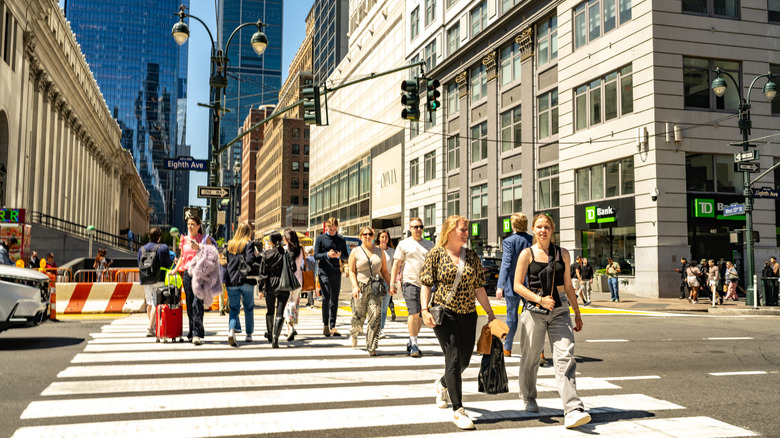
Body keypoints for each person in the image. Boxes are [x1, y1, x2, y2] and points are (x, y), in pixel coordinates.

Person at [513, 213, 591, 430]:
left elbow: (567, 284)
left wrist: (577, 311)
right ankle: (528, 396)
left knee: (565, 356)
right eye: (538, 227)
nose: (542, 230)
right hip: (534, 310)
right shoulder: (526, 254)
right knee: (530, 358)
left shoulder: (562, 254)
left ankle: (573, 408)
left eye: (546, 226)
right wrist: (539, 299)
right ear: (534, 230)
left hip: (560, 310)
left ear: (552, 230)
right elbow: (517, 285)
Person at [420, 215, 496, 430]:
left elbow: (479, 287)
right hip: (445, 314)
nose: (466, 233)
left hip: (468, 314)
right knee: (452, 359)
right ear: (450, 230)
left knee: (463, 361)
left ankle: (443, 383)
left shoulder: (471, 256)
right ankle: (458, 409)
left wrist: (490, 313)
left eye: (467, 229)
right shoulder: (436, 254)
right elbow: (426, 284)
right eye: (463, 229)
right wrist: (424, 310)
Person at [390, 217, 435, 357]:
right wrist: (392, 283)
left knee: (422, 314)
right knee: (413, 312)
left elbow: (434, 264)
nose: (418, 229)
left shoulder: (430, 244)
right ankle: (414, 343)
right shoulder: (404, 244)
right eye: (415, 227)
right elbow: (396, 265)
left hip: (426, 284)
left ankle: (412, 341)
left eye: (420, 227)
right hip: (409, 282)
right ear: (410, 229)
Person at [171, 215, 217, 346]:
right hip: (187, 274)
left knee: (197, 303)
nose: (190, 226)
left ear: (198, 226)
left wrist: (199, 248)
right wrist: (175, 270)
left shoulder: (204, 239)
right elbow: (182, 257)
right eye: (188, 224)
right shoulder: (184, 239)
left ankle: (197, 333)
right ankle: (192, 331)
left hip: (201, 274)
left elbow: (212, 253)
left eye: (192, 224)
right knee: (190, 304)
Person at [348, 227, 392, 355]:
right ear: (361, 236)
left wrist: (391, 285)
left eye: (370, 234)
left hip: (375, 287)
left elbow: (384, 271)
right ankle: (355, 334)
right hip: (360, 287)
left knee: (375, 316)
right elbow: (351, 271)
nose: (367, 236)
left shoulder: (380, 252)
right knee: (358, 317)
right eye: (365, 234)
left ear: (373, 237)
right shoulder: (355, 252)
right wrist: (355, 286)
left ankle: (371, 346)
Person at [495, 213, 532, 357]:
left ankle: (507, 348)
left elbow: (506, 264)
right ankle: (539, 352)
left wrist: (500, 286)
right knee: (534, 318)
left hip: (512, 283)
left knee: (511, 317)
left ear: (514, 225)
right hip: (530, 284)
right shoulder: (532, 240)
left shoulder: (509, 241)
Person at [313, 217, 349, 337]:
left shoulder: (340, 239)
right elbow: (316, 256)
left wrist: (339, 255)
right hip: (324, 271)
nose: (333, 231)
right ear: (326, 227)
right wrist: (327, 255)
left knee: (334, 299)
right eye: (330, 229)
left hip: (336, 271)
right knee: (326, 298)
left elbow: (346, 256)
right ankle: (325, 325)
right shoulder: (320, 238)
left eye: (334, 229)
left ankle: (333, 326)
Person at [224, 222, 259, 346]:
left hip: (231, 281)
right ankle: (249, 334)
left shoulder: (230, 244)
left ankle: (232, 331)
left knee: (234, 308)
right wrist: (256, 255)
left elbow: (227, 262)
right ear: (248, 232)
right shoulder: (249, 244)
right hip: (245, 280)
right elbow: (249, 260)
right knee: (248, 307)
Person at [258, 231, 294, 348]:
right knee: (280, 312)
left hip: (270, 284)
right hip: (284, 284)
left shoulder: (267, 254)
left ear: (271, 241)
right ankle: (275, 338)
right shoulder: (287, 253)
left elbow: (262, 273)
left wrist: (260, 288)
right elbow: (293, 268)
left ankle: (269, 334)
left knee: (270, 311)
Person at [138, 228, 174, 337]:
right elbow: (168, 263)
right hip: (159, 278)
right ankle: (150, 328)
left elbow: (139, 263)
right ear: (159, 237)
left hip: (146, 279)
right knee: (156, 303)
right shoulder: (163, 247)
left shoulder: (142, 249)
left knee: (149, 303)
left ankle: (152, 325)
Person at [283, 228, 306, 342]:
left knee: (288, 303)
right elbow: (304, 258)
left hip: (288, 279)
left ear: (287, 239)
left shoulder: (285, 249)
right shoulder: (301, 249)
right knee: (295, 303)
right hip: (299, 279)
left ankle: (290, 327)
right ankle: (290, 327)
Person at [375, 230, 395, 338]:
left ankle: (380, 329)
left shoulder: (392, 251)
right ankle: (375, 328)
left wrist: (395, 281)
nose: (384, 239)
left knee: (384, 307)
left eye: (386, 237)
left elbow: (395, 267)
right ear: (378, 238)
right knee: (376, 306)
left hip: (388, 281)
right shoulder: (374, 250)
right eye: (382, 237)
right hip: (376, 281)